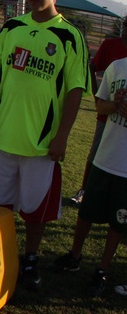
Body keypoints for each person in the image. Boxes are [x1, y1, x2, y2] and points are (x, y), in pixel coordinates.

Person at [0, 0, 89, 291]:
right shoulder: (12, 28)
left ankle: (30, 259)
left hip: (42, 145)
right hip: (3, 137)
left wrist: (62, 136)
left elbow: (75, 91)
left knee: (36, 210)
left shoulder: (70, 36)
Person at [52, 55, 127, 296]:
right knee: (86, 212)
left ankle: (102, 270)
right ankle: (74, 256)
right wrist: (115, 105)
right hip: (105, 157)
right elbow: (100, 105)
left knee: (118, 221)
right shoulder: (117, 67)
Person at [69, 19, 127, 206]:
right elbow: (92, 67)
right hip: (108, 112)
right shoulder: (111, 45)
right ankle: (84, 190)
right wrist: (98, 97)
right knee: (96, 154)